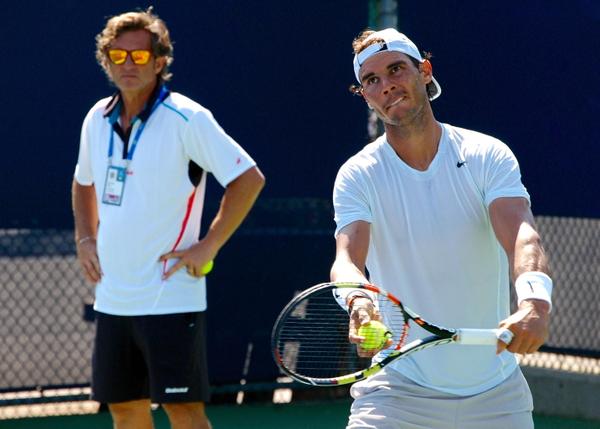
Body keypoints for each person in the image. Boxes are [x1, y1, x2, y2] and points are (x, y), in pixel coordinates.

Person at [330, 28, 552, 429]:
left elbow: (522, 234)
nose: (387, 86)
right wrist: (359, 304)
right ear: (364, 95)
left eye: (396, 69)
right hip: (396, 391)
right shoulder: (357, 174)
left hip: (496, 394)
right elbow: (347, 260)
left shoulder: (486, 154)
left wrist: (534, 301)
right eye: (372, 80)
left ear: (424, 71)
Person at [72, 8, 265, 429]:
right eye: (117, 55)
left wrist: (209, 244)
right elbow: (83, 182)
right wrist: (86, 238)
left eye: (139, 56)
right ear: (106, 59)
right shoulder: (95, 119)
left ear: (159, 62)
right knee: (124, 410)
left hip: (170, 295)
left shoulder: (187, 118)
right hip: (113, 296)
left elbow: (248, 179)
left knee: (184, 412)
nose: (127, 64)